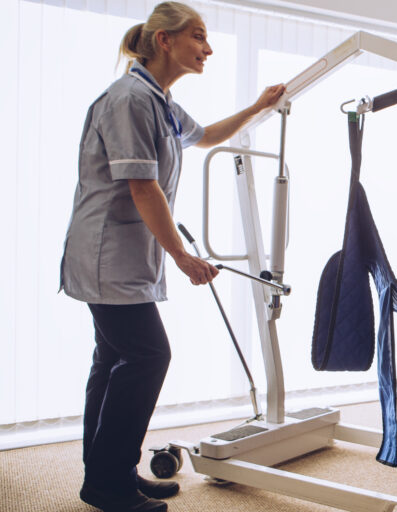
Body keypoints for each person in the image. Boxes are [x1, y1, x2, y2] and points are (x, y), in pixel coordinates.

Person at [59, 3, 285, 511]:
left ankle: (109, 472)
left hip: (120, 256)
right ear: (165, 41)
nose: (208, 48)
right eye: (198, 37)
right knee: (146, 355)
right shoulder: (130, 99)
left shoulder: (158, 99)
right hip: (106, 255)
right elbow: (143, 188)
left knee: (114, 358)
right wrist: (183, 257)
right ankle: (108, 484)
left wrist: (256, 107)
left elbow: (205, 137)